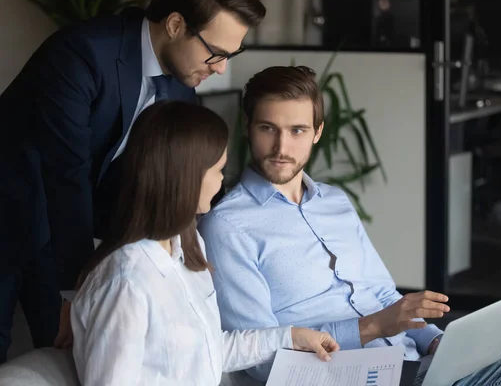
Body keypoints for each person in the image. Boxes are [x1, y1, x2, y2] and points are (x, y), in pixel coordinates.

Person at [198, 65, 501, 385]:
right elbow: (258, 363)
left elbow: (381, 291)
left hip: (415, 362)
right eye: (268, 128)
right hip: (349, 377)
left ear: (317, 132)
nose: (282, 147)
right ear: (248, 128)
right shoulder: (228, 226)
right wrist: (371, 328)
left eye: (297, 130)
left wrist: (435, 340)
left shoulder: (334, 203)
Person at [0, 0, 265, 363]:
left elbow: (172, 179)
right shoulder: (84, 53)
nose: (221, 67)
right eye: (216, 53)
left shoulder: (181, 85)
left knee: (64, 355)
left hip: (60, 228)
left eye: (231, 55)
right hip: (11, 205)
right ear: (175, 24)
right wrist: (77, 294)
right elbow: (66, 176)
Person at [71, 100, 339, 385]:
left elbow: (208, 351)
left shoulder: (186, 244)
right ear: (186, 178)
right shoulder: (127, 282)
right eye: (218, 170)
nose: (222, 181)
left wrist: (291, 337)